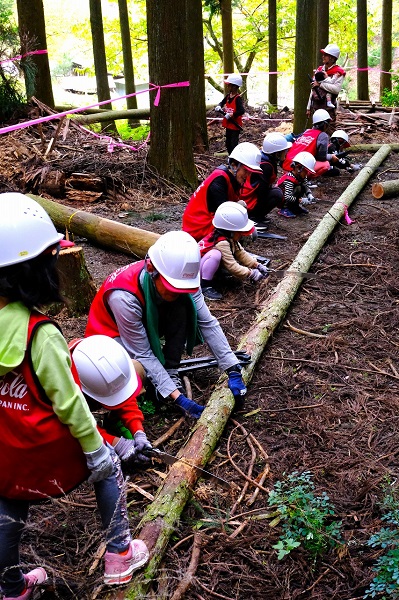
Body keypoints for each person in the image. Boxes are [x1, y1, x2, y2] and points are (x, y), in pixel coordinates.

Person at [0, 193, 149, 600]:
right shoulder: (40, 334)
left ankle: (11, 589)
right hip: (48, 450)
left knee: (7, 503)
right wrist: (99, 449)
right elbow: (70, 404)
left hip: (7, 447)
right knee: (110, 468)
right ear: (33, 271)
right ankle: (120, 555)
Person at [85, 231, 248, 418]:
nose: (179, 292)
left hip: (147, 321)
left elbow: (207, 322)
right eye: (173, 289)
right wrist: (179, 398)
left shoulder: (184, 280)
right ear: (151, 269)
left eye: (183, 289)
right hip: (111, 338)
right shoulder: (123, 297)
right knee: (132, 370)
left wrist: (232, 368)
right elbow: (142, 352)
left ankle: (171, 370)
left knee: (184, 307)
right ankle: (159, 385)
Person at [70, 335, 153, 465]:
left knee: (137, 369)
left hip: (89, 389)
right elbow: (74, 428)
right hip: (69, 408)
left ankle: (114, 420)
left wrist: (138, 431)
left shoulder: (102, 351)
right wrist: (116, 444)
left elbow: (125, 398)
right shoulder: (63, 390)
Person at [182, 142, 262, 242]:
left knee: (249, 231)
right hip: (198, 228)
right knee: (247, 234)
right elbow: (225, 216)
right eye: (245, 171)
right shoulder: (219, 180)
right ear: (234, 165)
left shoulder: (231, 179)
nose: (248, 175)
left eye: (250, 172)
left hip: (207, 222)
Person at [199, 202, 269, 300]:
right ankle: (205, 286)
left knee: (219, 257)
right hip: (197, 271)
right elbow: (232, 266)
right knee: (215, 255)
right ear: (230, 231)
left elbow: (241, 253)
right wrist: (251, 273)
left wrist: (257, 265)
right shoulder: (222, 243)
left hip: (204, 267)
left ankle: (216, 277)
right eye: (240, 232)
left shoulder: (230, 239)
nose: (242, 234)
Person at [239, 132, 292, 225]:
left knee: (277, 191)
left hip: (248, 198)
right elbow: (261, 192)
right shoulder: (266, 166)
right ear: (277, 153)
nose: (286, 153)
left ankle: (256, 215)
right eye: (284, 151)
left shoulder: (265, 159)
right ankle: (254, 218)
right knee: (277, 194)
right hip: (249, 201)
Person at [282, 109, 340, 179]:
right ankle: (304, 178)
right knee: (326, 165)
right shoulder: (323, 136)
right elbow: (321, 157)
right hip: (297, 170)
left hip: (287, 166)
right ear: (325, 124)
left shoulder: (307, 131)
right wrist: (331, 157)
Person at [307, 43, 346, 134]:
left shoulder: (338, 72)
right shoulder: (319, 70)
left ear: (332, 58)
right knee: (315, 133)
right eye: (323, 54)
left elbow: (336, 89)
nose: (323, 56)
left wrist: (320, 85)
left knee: (329, 132)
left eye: (326, 55)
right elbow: (313, 89)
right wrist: (308, 107)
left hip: (328, 109)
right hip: (316, 107)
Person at [277, 152, 317, 218]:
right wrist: (301, 200)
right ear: (299, 168)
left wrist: (309, 195)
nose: (306, 174)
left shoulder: (302, 177)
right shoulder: (289, 180)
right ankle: (284, 209)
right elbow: (287, 197)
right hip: (282, 199)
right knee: (298, 188)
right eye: (306, 171)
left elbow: (305, 186)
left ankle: (295, 207)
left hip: (292, 198)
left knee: (301, 187)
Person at [214, 73, 245, 154]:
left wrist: (232, 114)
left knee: (233, 144)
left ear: (234, 86)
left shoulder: (237, 98)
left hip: (235, 126)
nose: (228, 87)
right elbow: (222, 102)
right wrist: (219, 106)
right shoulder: (228, 96)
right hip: (228, 125)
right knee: (228, 143)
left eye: (229, 85)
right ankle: (230, 158)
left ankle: (234, 159)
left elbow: (241, 111)